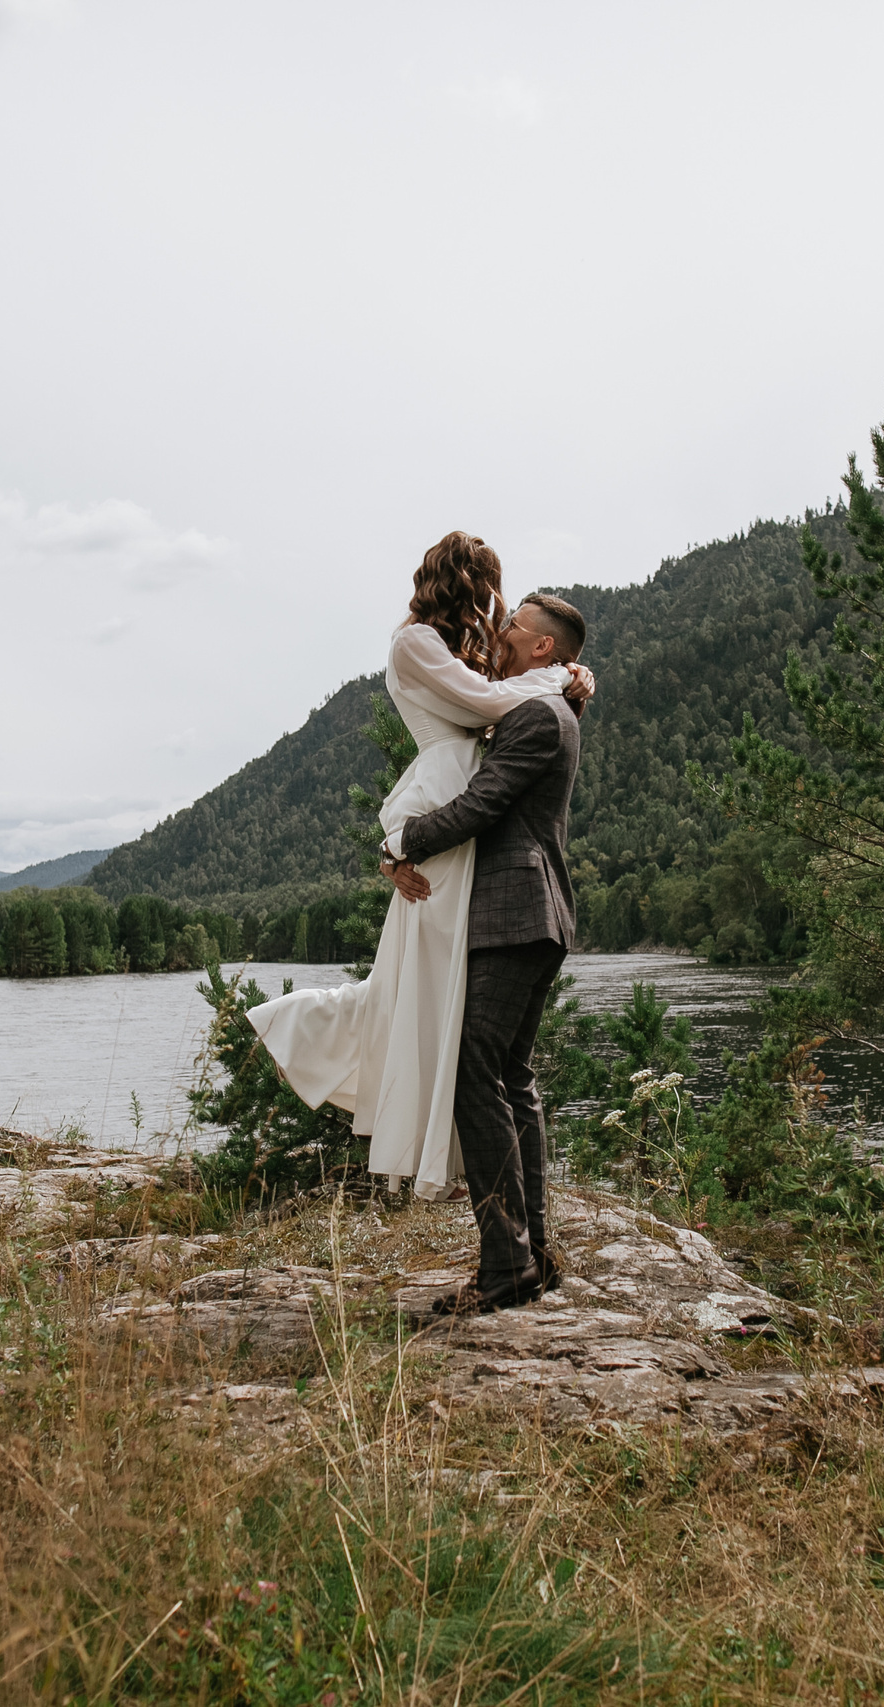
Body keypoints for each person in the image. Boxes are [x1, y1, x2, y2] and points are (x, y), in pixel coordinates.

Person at [246, 534, 592, 1200]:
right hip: (444, 806)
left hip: (461, 823)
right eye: (493, 592)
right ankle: (308, 1035)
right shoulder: (416, 645)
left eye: (514, 615)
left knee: (443, 1005)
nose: (501, 613)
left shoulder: (473, 657)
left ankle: (495, 1209)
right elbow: (494, 705)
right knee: (417, 985)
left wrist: (571, 675)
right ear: (465, 584)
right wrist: (397, 846)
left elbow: (505, 707)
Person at [382, 590, 587, 1315]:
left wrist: (398, 842)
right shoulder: (546, 703)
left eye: (513, 626)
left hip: (515, 912)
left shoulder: (536, 714)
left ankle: (507, 1268)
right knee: (511, 1074)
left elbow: (481, 805)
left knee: (476, 1069)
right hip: (535, 916)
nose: (499, 632)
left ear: (542, 648)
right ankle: (531, 1252)